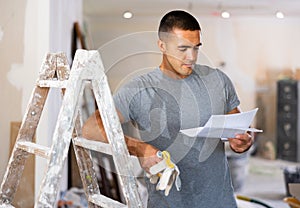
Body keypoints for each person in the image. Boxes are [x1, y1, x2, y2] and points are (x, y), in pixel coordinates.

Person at [82, 10, 253, 208]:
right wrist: (139, 148)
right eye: (183, 49)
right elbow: (91, 129)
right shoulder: (139, 89)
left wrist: (243, 141)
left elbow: (240, 129)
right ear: (162, 45)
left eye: (196, 48)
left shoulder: (217, 81)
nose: (191, 57)